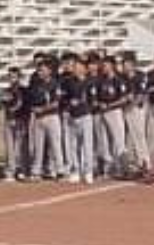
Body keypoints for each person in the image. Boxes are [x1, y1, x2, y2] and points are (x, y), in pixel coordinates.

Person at [23, 60, 63, 181]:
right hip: (38, 118)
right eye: (39, 70)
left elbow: (56, 103)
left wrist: (42, 109)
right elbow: (31, 101)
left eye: (42, 69)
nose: (40, 72)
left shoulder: (54, 84)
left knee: (55, 144)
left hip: (51, 117)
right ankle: (36, 171)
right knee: (38, 146)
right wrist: (35, 109)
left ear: (49, 71)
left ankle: (60, 170)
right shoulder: (36, 85)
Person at [92, 58, 128, 179]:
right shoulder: (100, 81)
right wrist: (99, 103)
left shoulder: (118, 80)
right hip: (102, 113)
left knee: (118, 140)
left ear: (112, 66)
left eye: (107, 65)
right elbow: (95, 97)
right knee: (104, 141)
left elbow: (123, 99)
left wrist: (110, 105)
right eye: (103, 65)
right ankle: (107, 168)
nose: (104, 67)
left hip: (115, 112)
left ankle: (121, 168)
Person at [62, 57, 96, 185]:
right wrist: (69, 103)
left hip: (85, 115)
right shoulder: (68, 82)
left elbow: (93, 100)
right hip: (72, 116)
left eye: (78, 67)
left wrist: (82, 103)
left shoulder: (90, 82)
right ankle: (75, 170)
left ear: (84, 69)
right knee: (73, 145)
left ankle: (88, 171)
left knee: (87, 145)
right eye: (74, 67)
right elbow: (63, 98)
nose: (75, 69)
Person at [0, 66, 28, 181]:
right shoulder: (6, 90)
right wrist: (2, 102)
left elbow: (23, 105)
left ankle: (21, 169)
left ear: (19, 77)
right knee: (9, 147)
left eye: (14, 76)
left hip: (20, 120)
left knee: (20, 147)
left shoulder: (24, 90)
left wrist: (14, 108)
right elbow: (0, 105)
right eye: (10, 76)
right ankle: (10, 171)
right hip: (8, 120)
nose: (12, 79)